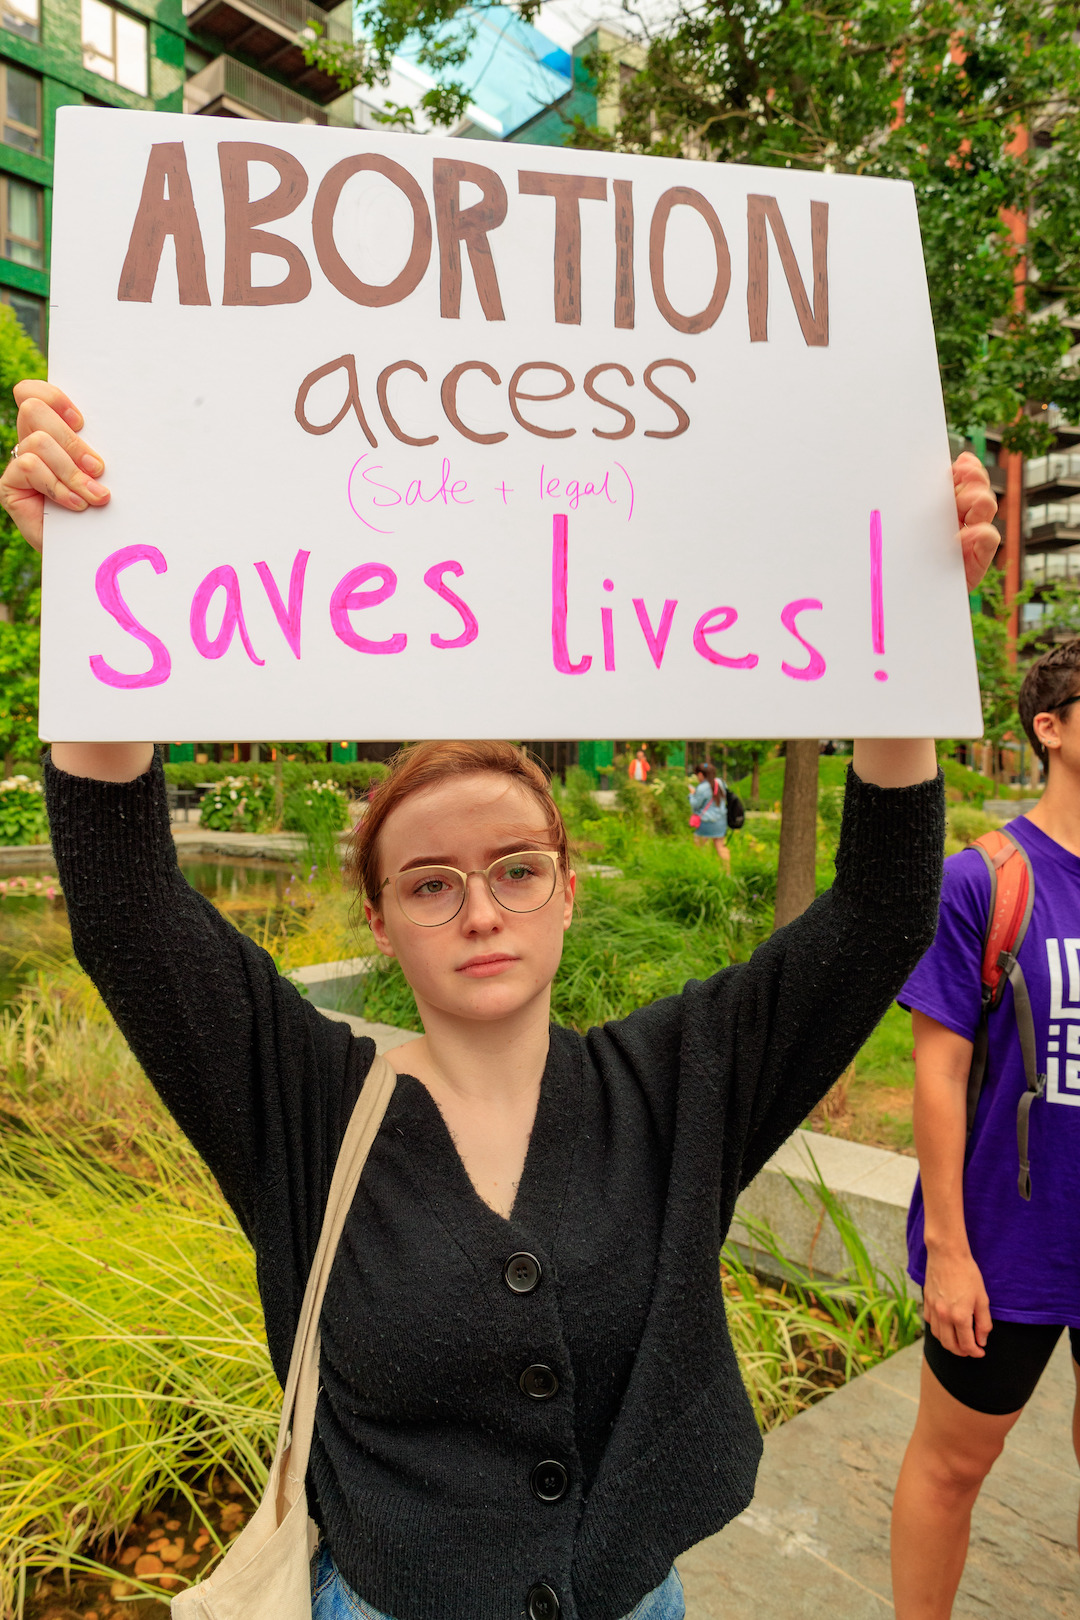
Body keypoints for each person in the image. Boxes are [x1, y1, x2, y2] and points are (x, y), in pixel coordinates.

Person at [0, 381, 998, 1620]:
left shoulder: (678, 1080)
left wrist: (908, 620)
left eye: (518, 869)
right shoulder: (304, 1105)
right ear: (379, 922)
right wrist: (93, 588)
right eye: (430, 882)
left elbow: (881, 913)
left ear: (568, 890)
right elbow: (131, 912)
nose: (480, 909)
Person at [891, 639, 1080, 1619]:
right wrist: (950, 1253)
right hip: (1010, 1248)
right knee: (954, 1466)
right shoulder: (984, 880)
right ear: (1048, 728)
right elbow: (938, 1075)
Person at [688, 763, 730, 870]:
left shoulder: (702, 788)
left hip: (706, 822)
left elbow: (695, 805)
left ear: (701, 775)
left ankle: (698, 869)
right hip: (721, 821)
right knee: (720, 847)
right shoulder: (721, 783)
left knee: (697, 846)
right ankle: (727, 871)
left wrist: (692, 794)